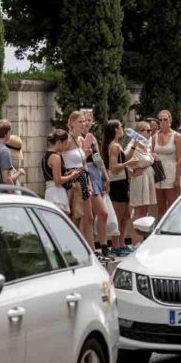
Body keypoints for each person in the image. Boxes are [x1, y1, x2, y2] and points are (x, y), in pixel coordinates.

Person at [103, 120, 139, 255]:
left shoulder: (117, 145)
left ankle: (122, 243)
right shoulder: (113, 146)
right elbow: (113, 167)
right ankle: (116, 245)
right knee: (118, 215)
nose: (122, 129)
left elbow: (123, 159)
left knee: (125, 215)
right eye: (120, 127)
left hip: (122, 182)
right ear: (115, 129)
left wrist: (134, 147)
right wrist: (128, 163)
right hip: (117, 183)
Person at [63, 111, 96, 248]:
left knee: (88, 216)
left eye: (85, 121)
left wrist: (89, 183)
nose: (84, 124)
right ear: (71, 123)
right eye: (80, 121)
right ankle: (73, 248)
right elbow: (57, 158)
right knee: (75, 216)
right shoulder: (67, 140)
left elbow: (84, 164)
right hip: (73, 181)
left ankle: (90, 250)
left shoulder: (81, 140)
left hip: (83, 178)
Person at [81, 109, 110, 256]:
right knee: (100, 213)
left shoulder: (92, 138)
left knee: (94, 215)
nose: (86, 123)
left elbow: (98, 159)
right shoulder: (77, 139)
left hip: (96, 175)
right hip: (87, 175)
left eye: (89, 120)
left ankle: (101, 247)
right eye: (84, 120)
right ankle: (92, 249)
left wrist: (105, 176)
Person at [128, 122, 156, 248]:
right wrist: (131, 172)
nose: (150, 133)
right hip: (139, 179)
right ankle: (135, 241)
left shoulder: (147, 145)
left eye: (151, 130)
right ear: (139, 132)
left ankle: (142, 240)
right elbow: (124, 159)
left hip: (148, 178)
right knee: (138, 210)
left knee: (145, 210)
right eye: (147, 130)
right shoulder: (132, 145)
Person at [152, 110, 181, 219]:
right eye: (160, 120)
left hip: (172, 171)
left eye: (165, 119)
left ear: (170, 120)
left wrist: (177, 178)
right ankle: (160, 231)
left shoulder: (177, 136)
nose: (163, 122)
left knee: (172, 205)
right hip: (158, 172)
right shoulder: (154, 136)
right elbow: (151, 154)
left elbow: (180, 159)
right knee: (160, 206)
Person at [42, 129, 81, 214]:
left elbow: (52, 175)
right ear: (59, 142)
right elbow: (58, 181)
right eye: (65, 143)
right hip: (56, 193)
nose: (66, 146)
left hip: (49, 192)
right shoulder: (56, 157)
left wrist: (67, 174)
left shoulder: (46, 154)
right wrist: (72, 176)